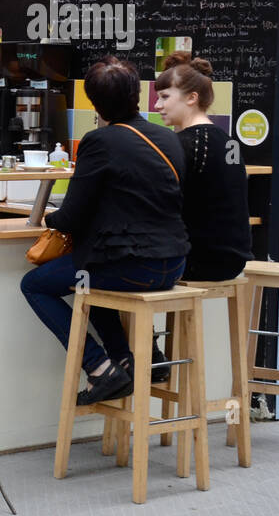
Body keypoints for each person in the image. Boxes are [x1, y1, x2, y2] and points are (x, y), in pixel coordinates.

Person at [20, 56, 190, 405]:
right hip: (173, 264)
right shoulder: (169, 138)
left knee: (35, 285)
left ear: (95, 104)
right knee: (91, 280)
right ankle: (127, 359)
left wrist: (47, 220)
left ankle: (99, 369)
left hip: (133, 268)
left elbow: (71, 217)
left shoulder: (99, 142)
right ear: (139, 95)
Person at [155, 52, 251, 281]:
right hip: (234, 260)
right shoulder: (230, 142)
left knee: (101, 268)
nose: (157, 105)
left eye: (164, 97)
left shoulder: (181, 144)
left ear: (192, 98)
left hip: (196, 261)